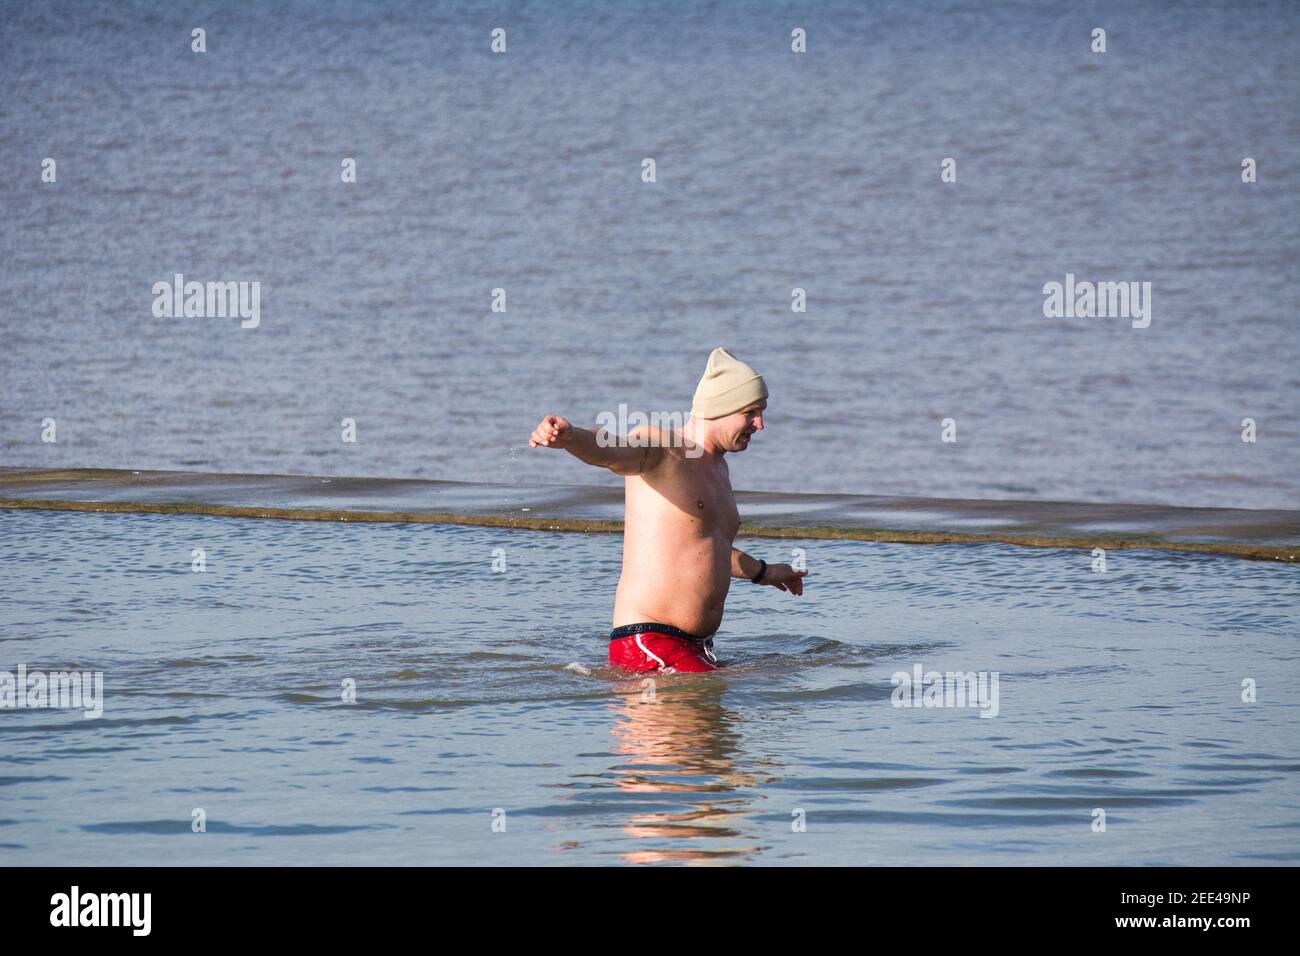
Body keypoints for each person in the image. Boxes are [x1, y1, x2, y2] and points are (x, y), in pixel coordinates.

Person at [529, 347, 807, 673]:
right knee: (771, 688)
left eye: (762, 412)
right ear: (720, 408)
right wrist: (571, 437)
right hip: (650, 641)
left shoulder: (719, 470)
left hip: (695, 647)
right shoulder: (663, 448)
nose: (760, 424)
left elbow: (705, 550)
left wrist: (764, 571)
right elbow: (611, 450)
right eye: (751, 412)